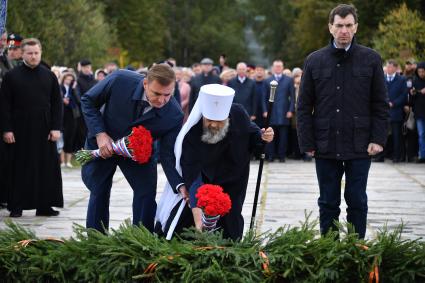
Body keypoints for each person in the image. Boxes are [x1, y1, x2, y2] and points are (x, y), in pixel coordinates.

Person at [297, 4, 389, 239]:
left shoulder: (370, 59)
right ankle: (329, 251)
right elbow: (304, 106)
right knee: (328, 202)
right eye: (339, 25)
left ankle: (356, 248)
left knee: (357, 200)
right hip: (325, 143)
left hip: (360, 144)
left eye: (349, 25)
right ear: (330, 27)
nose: (344, 30)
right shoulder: (314, 61)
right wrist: (307, 142)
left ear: (356, 27)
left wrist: (378, 139)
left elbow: (380, 103)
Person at [155, 84, 274, 241]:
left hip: (234, 180)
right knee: (185, 228)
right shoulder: (192, 133)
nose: (213, 125)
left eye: (219, 121)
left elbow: (255, 138)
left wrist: (263, 137)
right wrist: (199, 222)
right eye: (209, 120)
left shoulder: (238, 114)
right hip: (205, 184)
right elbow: (192, 175)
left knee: (231, 226)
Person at [80, 63, 185, 233]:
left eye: (168, 95)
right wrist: (100, 133)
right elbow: (88, 101)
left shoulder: (174, 115)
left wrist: (180, 184)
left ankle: (141, 241)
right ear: (145, 84)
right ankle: (95, 239)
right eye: (156, 93)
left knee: (146, 194)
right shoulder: (119, 79)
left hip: (138, 153)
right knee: (99, 189)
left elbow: (167, 155)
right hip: (104, 141)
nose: (161, 100)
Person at [1, 38, 63, 217]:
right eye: (29, 53)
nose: (33, 56)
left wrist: (56, 127)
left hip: (45, 129)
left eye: (36, 53)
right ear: (22, 53)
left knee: (46, 167)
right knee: (19, 167)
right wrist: (6, 129)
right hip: (19, 129)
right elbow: (4, 105)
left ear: (41, 52)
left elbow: (57, 104)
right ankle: (17, 206)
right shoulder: (11, 76)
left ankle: (44, 205)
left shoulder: (49, 75)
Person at [264, 60, 295, 162]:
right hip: (271, 113)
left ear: (282, 67)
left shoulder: (289, 80)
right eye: (276, 66)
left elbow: (292, 97)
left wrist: (291, 110)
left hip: (284, 112)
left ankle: (282, 156)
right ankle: (271, 156)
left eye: (279, 66)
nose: (277, 68)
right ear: (273, 68)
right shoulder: (267, 80)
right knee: (270, 135)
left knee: (283, 137)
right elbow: (263, 97)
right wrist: (265, 110)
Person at [411, 62, 425, 163]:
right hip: (419, 112)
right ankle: (422, 155)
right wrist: (412, 93)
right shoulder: (415, 81)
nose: (421, 73)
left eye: (423, 71)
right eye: (419, 71)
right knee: (421, 134)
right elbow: (412, 99)